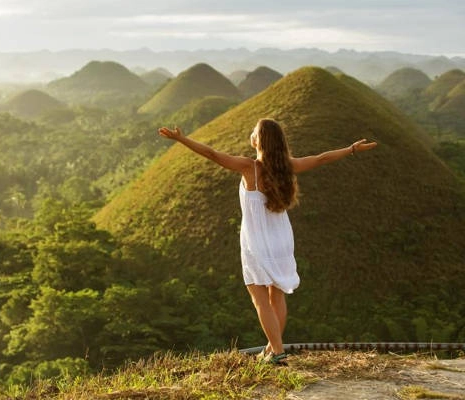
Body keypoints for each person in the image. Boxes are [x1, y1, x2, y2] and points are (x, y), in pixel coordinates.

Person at [158, 118, 377, 365]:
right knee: (277, 295)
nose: (250, 133)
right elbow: (321, 158)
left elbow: (211, 153)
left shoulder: (248, 167)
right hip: (282, 238)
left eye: (253, 131)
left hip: (257, 241)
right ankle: (274, 351)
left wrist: (181, 139)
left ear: (258, 141)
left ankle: (277, 352)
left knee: (259, 298)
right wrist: (351, 149)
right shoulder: (288, 167)